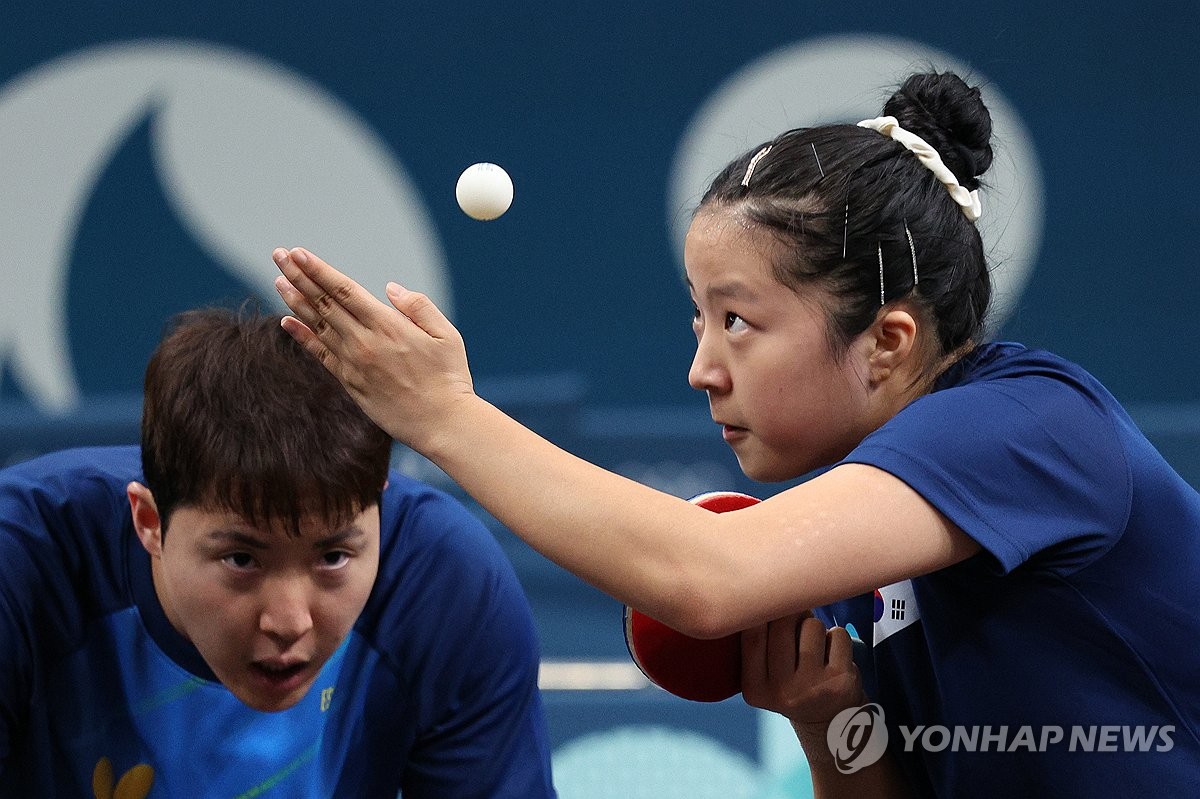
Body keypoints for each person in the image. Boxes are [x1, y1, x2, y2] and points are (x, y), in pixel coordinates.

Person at [271, 71, 1200, 796]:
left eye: (739, 322)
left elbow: (709, 578)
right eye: (698, 320)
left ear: (887, 341)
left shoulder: (1030, 426)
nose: (702, 368)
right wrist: (829, 723)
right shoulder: (866, 552)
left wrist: (445, 417)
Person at [0, 308, 556, 798]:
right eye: (242, 560)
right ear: (149, 521)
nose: (289, 622)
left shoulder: (444, 586)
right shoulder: (19, 563)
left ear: (378, 506)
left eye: (333, 557)